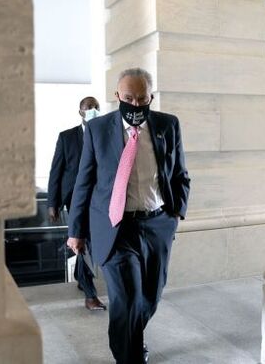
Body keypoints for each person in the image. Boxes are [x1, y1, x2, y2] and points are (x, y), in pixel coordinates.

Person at [67, 68, 190, 364]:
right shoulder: (98, 130)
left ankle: (133, 338)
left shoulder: (167, 125)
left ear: (151, 97)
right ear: (117, 96)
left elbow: (180, 174)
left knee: (150, 296)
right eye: (128, 98)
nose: (135, 105)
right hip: (115, 226)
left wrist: (176, 213)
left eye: (142, 99)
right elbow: (84, 181)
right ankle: (130, 357)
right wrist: (76, 231)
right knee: (128, 299)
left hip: (157, 223)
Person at [47, 96, 107, 311]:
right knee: (82, 242)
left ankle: (80, 277)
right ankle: (90, 295)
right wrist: (52, 203)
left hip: (99, 199)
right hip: (74, 199)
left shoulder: (105, 133)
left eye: (96, 107)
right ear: (80, 112)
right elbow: (56, 170)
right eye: (88, 107)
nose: (93, 110)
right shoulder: (67, 137)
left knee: (88, 242)